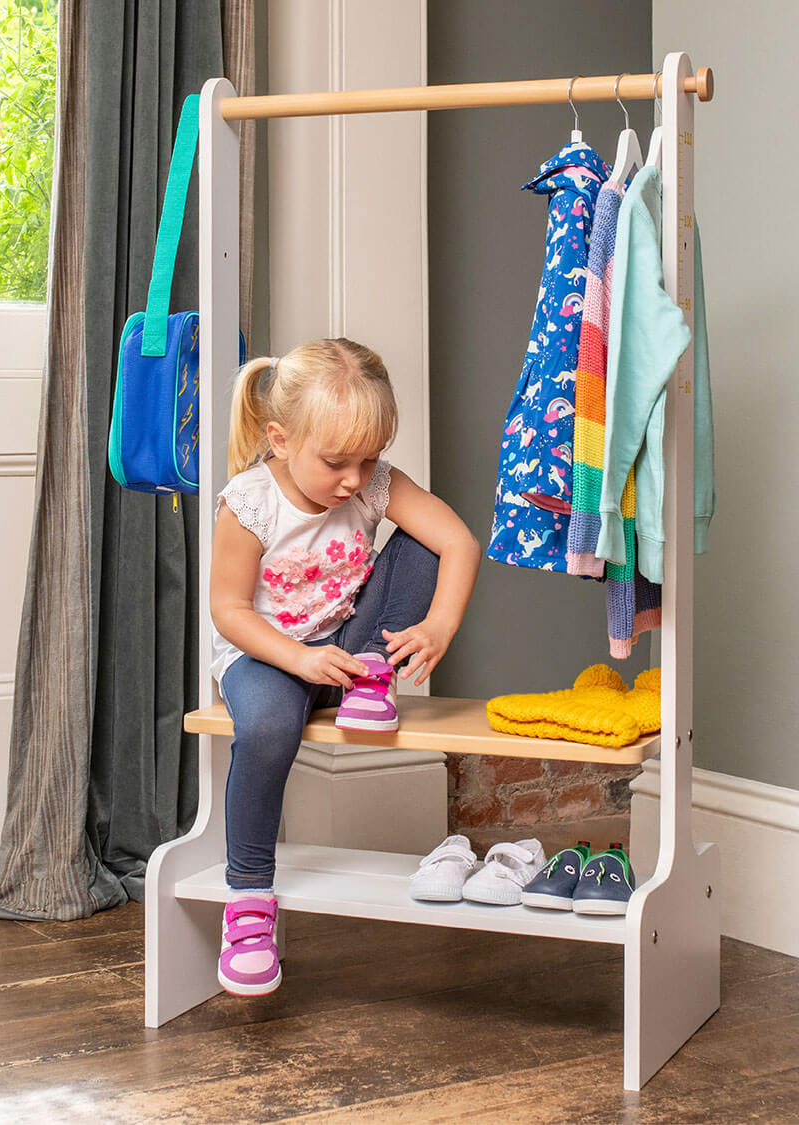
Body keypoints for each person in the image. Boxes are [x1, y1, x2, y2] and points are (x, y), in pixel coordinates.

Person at [208, 337, 481, 996]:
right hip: (268, 657)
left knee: (420, 539)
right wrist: (298, 656)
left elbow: (459, 540)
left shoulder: (370, 484)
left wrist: (439, 623)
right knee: (269, 727)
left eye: (370, 459)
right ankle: (248, 901)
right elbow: (228, 610)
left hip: (345, 654)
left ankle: (369, 675)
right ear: (279, 438)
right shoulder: (249, 503)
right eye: (337, 462)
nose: (356, 480)